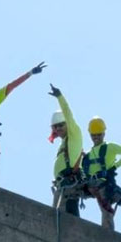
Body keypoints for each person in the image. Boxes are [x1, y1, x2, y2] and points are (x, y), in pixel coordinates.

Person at [81, 116, 121, 230]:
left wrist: (115, 166)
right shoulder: (89, 154)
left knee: (106, 210)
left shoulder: (109, 147)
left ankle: (107, 234)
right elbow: (84, 171)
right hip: (91, 184)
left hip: (104, 183)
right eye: (93, 135)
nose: (96, 137)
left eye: (98, 134)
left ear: (103, 134)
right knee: (71, 192)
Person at [48, 83, 84, 216]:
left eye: (60, 125)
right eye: (55, 127)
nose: (57, 129)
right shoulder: (64, 142)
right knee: (56, 218)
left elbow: (68, 114)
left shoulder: (74, 134)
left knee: (69, 217)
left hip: (69, 185)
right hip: (61, 185)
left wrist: (59, 97)